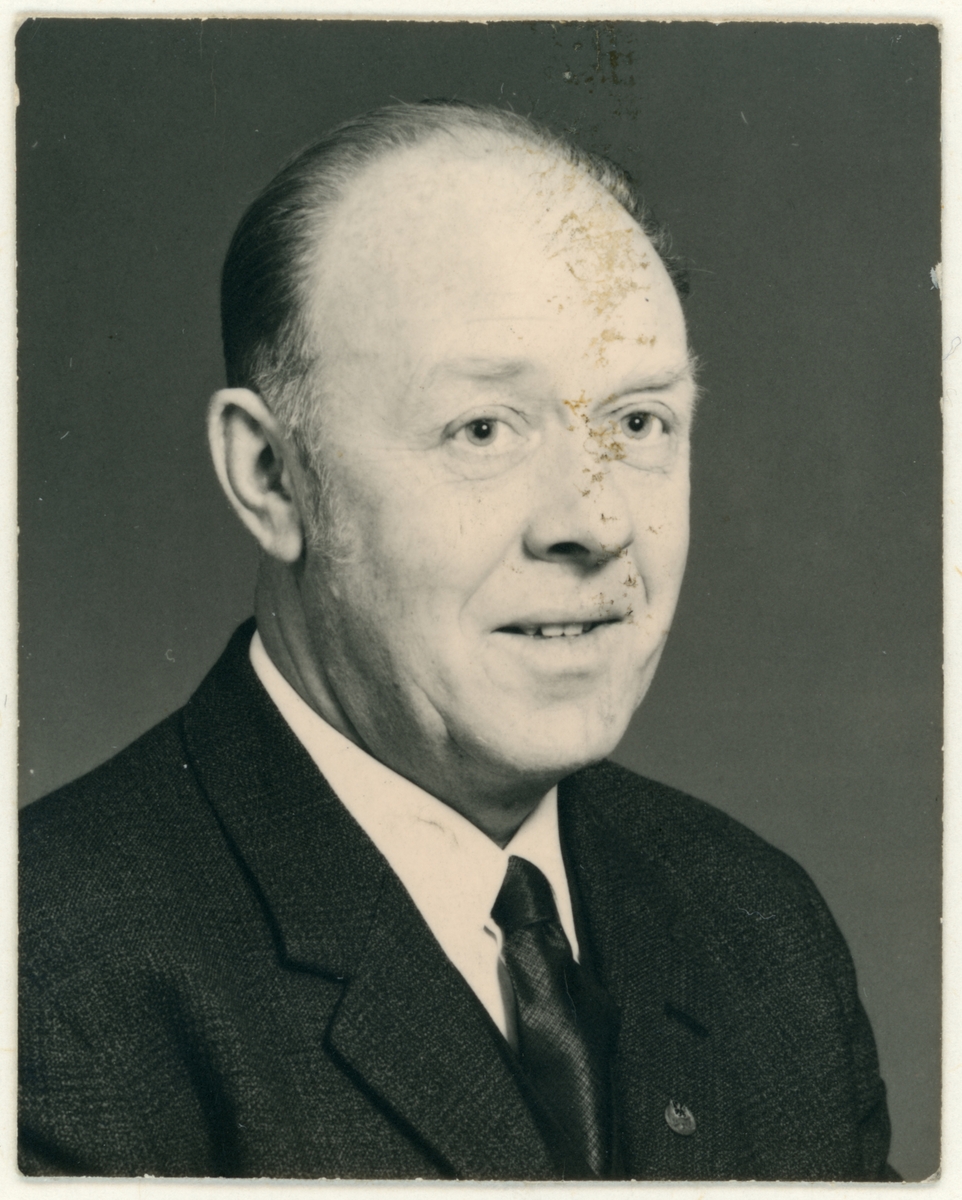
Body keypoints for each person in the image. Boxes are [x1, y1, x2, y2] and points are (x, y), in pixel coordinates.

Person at [18, 101, 896, 1181]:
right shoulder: (45, 990)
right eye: (482, 429)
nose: (596, 523)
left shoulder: (759, 928)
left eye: (636, 423)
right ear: (271, 477)